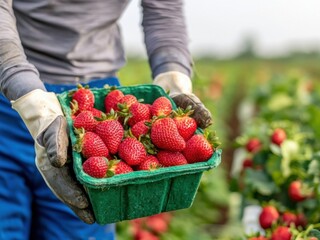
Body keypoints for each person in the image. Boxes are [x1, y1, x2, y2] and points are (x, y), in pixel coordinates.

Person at [0, 0, 212, 239]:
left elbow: (163, 10)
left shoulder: (110, 125)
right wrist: (28, 96)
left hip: (98, 103)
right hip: (9, 94)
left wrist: (173, 76)